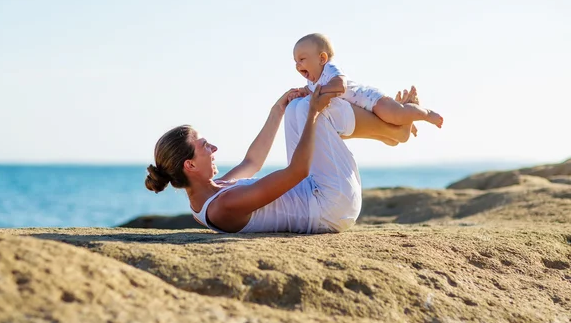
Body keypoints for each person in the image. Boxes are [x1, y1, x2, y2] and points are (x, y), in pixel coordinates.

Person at [145, 85, 417, 234]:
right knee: (309, 108)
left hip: (319, 194)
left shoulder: (213, 192)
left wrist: (278, 110)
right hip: (331, 207)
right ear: (189, 165)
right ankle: (394, 129)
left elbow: (252, 161)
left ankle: (391, 132)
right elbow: (297, 171)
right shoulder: (223, 205)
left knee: (296, 108)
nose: (214, 148)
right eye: (205, 146)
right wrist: (312, 114)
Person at [293, 33, 443, 141]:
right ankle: (406, 121)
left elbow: (340, 86)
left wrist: (319, 91)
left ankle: (426, 114)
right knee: (392, 134)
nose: (297, 65)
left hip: (370, 99)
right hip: (358, 108)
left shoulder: (330, 68)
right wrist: (302, 92)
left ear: (322, 58)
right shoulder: (312, 82)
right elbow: (311, 91)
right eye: (295, 61)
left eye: (302, 59)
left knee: (397, 114)